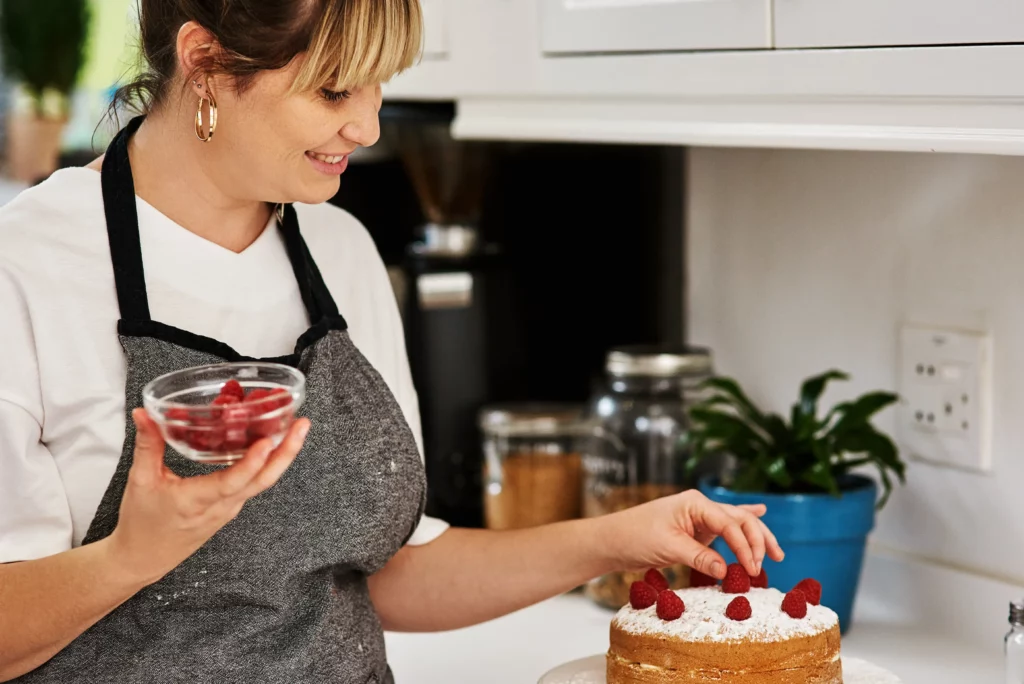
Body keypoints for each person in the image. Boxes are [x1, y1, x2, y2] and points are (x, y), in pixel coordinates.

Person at [0, 1, 784, 682]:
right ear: (204, 61)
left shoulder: (339, 252)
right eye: (334, 88)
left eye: (380, 83)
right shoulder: (28, 266)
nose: (368, 125)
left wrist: (615, 538)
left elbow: (389, 571)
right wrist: (131, 556)